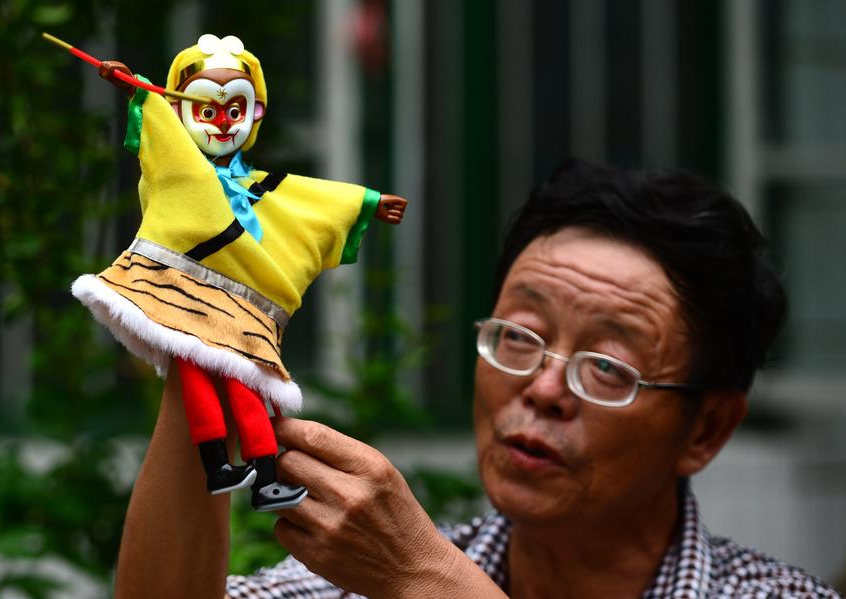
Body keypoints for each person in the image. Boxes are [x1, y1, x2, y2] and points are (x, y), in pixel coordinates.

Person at [114, 158, 841, 598]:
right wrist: (210, 329)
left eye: (607, 367)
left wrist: (430, 581)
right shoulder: (359, 581)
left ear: (706, 429)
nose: (545, 390)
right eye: (519, 337)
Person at [70, 34, 406, 508]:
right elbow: (159, 130)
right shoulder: (179, 169)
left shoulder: (258, 186)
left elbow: (309, 199)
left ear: (257, 113)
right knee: (200, 376)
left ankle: (263, 477)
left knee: (246, 385)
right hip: (176, 286)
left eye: (235, 109)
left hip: (234, 300)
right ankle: (223, 467)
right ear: (182, 110)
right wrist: (135, 88)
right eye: (207, 109)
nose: (223, 122)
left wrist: (366, 203)